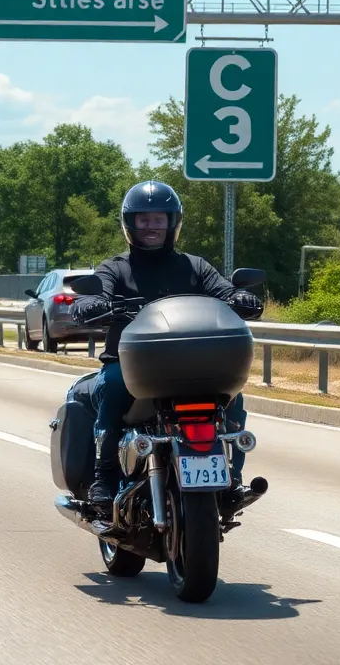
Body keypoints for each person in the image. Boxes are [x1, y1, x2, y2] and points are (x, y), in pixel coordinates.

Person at [71, 180, 264, 516]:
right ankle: (104, 476)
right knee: (113, 386)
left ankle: (232, 479)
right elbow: (95, 293)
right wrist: (91, 304)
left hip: (193, 364)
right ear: (130, 224)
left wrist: (238, 297)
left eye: (159, 219)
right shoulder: (115, 268)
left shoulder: (194, 267)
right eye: (144, 220)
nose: (152, 227)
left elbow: (221, 290)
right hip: (130, 364)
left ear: (172, 222)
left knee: (233, 396)